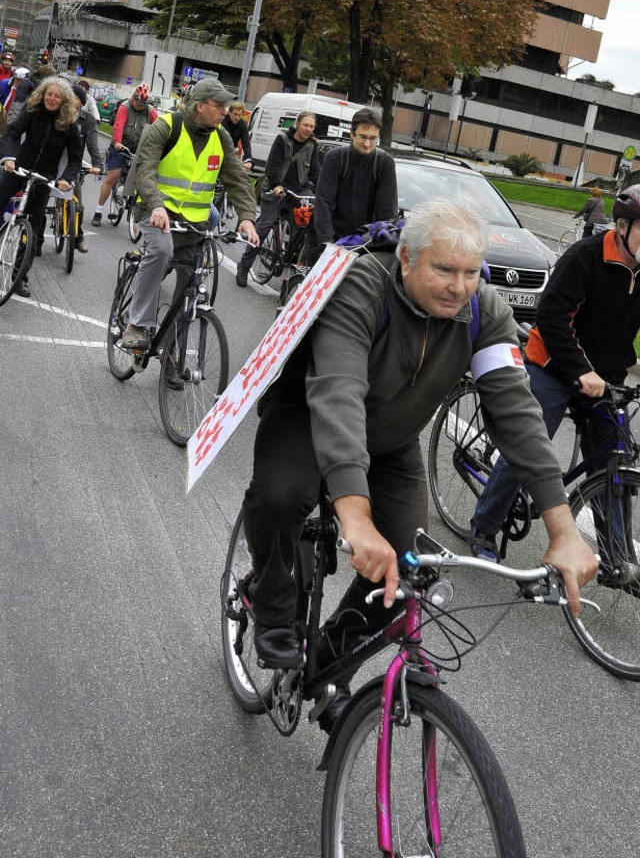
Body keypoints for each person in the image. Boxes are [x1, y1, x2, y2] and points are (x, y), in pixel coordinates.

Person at [241, 200, 597, 730]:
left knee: (410, 569)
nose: (459, 287)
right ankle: (268, 597)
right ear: (406, 259)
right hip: (310, 420)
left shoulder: (482, 313)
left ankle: (324, 659)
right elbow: (338, 391)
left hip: (391, 441)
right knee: (280, 497)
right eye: (444, 269)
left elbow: (517, 413)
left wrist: (562, 528)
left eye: (471, 273)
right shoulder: (362, 284)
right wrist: (356, 520)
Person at [470, 184, 640, 566]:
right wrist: (580, 370)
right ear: (624, 225)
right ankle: (483, 526)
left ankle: (617, 558)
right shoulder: (586, 257)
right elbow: (551, 317)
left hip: (606, 375)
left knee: (614, 458)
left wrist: (598, 375)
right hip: (554, 364)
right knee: (530, 446)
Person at [120, 78, 259, 351]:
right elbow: (145, 170)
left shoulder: (221, 137)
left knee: (189, 291)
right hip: (155, 209)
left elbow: (236, 180)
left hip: (195, 222)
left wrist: (246, 216)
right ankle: (136, 323)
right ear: (198, 107)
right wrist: (157, 205)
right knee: (160, 250)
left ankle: (174, 355)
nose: (224, 112)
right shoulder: (165, 127)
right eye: (219, 106)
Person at [0, 77, 83, 295]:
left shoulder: (69, 125)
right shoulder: (33, 112)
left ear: (63, 100)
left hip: (43, 178)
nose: (52, 99)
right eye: (49, 94)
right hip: (19, 168)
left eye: (57, 96)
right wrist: (9, 157)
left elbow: (75, 159)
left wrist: (66, 178)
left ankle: (20, 277)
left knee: (33, 228)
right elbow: (12, 133)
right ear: (43, 94)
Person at [235, 110, 320, 288]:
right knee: (264, 226)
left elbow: (315, 172)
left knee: (310, 221)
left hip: (298, 190)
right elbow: (272, 166)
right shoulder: (282, 140)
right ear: (297, 124)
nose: (308, 129)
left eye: (311, 126)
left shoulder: (313, 145)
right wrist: (275, 185)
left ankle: (297, 261)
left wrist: (320, 191)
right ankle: (244, 266)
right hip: (275, 188)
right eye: (305, 125)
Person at [312, 107, 398, 251]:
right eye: (363, 137)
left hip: (368, 242)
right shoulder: (335, 158)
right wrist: (326, 242)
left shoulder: (385, 163)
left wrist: (382, 243)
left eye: (373, 138)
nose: (367, 143)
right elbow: (324, 202)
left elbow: (387, 210)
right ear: (352, 133)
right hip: (334, 237)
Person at [92, 83, 158, 227]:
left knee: (144, 177)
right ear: (134, 97)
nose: (140, 105)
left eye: (143, 104)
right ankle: (98, 211)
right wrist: (117, 142)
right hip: (121, 146)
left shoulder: (150, 110)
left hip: (139, 148)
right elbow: (119, 126)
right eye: (138, 102)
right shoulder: (125, 107)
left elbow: (159, 127)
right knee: (112, 177)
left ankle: (135, 204)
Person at [70, 84, 103, 253]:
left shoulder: (88, 120)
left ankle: (78, 237)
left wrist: (97, 164)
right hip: (52, 162)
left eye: (74, 98)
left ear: (81, 103)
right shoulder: (57, 114)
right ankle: (35, 239)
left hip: (73, 165)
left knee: (78, 205)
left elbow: (92, 144)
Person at [221, 100, 253, 170]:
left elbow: (246, 142)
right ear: (229, 112)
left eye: (239, 115)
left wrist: (248, 159)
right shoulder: (222, 121)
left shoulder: (242, 124)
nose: (237, 117)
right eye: (235, 114)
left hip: (231, 153)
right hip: (218, 152)